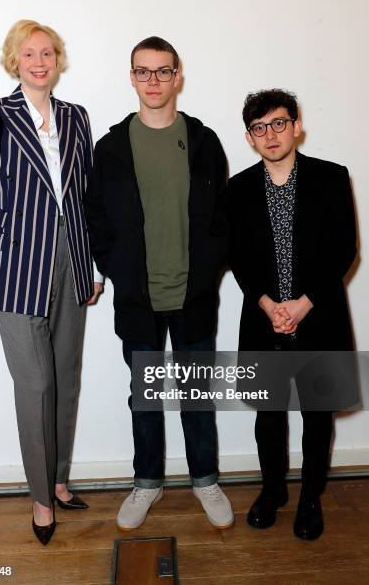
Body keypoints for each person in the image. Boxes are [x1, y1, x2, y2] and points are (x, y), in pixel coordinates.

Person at [0, 20, 103, 545]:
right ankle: (40, 498)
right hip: (18, 268)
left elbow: (83, 202)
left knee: (66, 379)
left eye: (48, 53)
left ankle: (58, 480)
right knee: (35, 386)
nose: (40, 62)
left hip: (72, 264)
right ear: (14, 60)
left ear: (59, 60)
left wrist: (91, 268)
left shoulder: (78, 118)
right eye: (29, 53)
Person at [85, 36, 234, 530]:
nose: (153, 81)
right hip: (136, 299)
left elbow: (221, 218)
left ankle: (205, 479)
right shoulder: (109, 148)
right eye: (143, 72)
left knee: (196, 396)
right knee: (144, 397)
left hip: (192, 296)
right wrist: (115, 268)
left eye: (162, 71)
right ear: (131, 78)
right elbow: (96, 220)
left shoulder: (204, 141)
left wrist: (209, 267)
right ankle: (146, 483)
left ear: (177, 77)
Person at [228, 89, 357, 540]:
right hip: (264, 320)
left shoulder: (331, 178)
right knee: (268, 415)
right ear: (250, 138)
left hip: (318, 317)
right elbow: (238, 256)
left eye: (279, 123)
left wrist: (303, 304)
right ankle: (272, 490)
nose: (271, 134)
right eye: (260, 128)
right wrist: (267, 304)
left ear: (296, 126)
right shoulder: (238, 188)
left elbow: (344, 249)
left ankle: (309, 500)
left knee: (317, 416)